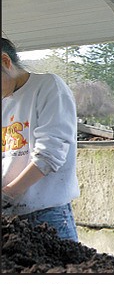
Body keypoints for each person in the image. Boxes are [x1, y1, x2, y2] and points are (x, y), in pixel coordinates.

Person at [2, 36, 79, 240]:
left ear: (5, 62)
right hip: (8, 216)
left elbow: (49, 156)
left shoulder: (48, 87)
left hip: (47, 215)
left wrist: (6, 195)